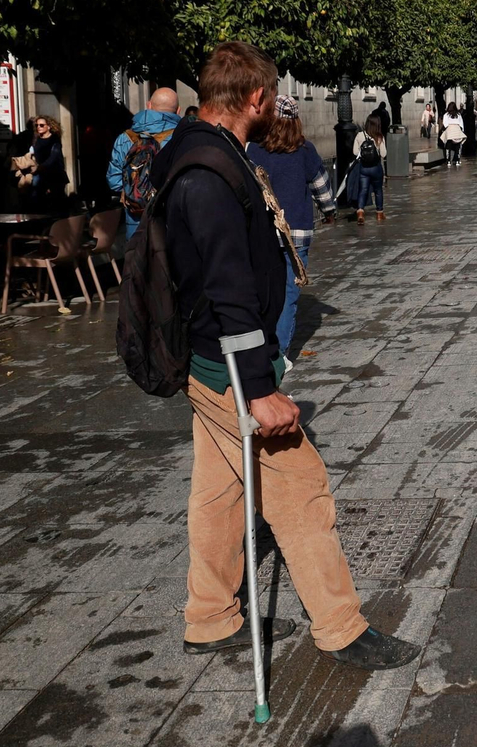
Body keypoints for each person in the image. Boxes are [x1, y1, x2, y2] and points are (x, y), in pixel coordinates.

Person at [150, 40, 417, 669]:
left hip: (209, 360)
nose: (274, 108)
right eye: (271, 97)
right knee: (302, 490)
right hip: (226, 366)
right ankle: (340, 628)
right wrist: (258, 387)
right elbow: (226, 289)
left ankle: (209, 615)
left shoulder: (201, 153)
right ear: (255, 98)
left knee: (219, 492)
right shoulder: (210, 174)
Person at [248, 94, 336, 363]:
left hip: (263, 231)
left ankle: (260, 348)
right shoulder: (305, 150)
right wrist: (329, 210)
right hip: (296, 231)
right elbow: (321, 187)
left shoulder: (253, 149)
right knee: (288, 292)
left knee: (264, 290)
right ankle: (281, 354)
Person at [108, 87, 181, 239]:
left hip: (136, 225)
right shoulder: (183, 138)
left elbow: (114, 181)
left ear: (148, 106)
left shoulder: (125, 138)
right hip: (172, 225)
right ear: (178, 110)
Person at [18, 115, 68, 210]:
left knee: (58, 201)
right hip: (40, 173)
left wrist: (40, 167)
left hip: (55, 174)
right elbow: (33, 153)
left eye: (41, 125)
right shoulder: (36, 139)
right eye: (37, 125)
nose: (38, 127)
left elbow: (53, 157)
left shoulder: (54, 140)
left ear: (48, 126)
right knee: (36, 199)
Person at [351, 116, 387, 224]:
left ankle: (360, 212)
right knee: (378, 191)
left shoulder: (360, 135)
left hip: (364, 168)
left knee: (363, 190)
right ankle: (380, 213)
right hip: (376, 168)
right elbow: (384, 154)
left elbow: (354, 152)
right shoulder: (379, 136)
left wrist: (363, 153)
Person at [439, 102, 467, 167]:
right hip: (457, 131)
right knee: (458, 147)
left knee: (448, 147)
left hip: (449, 132)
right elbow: (461, 125)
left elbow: (445, 124)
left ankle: (448, 161)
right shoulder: (459, 115)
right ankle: (457, 160)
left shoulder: (446, 115)